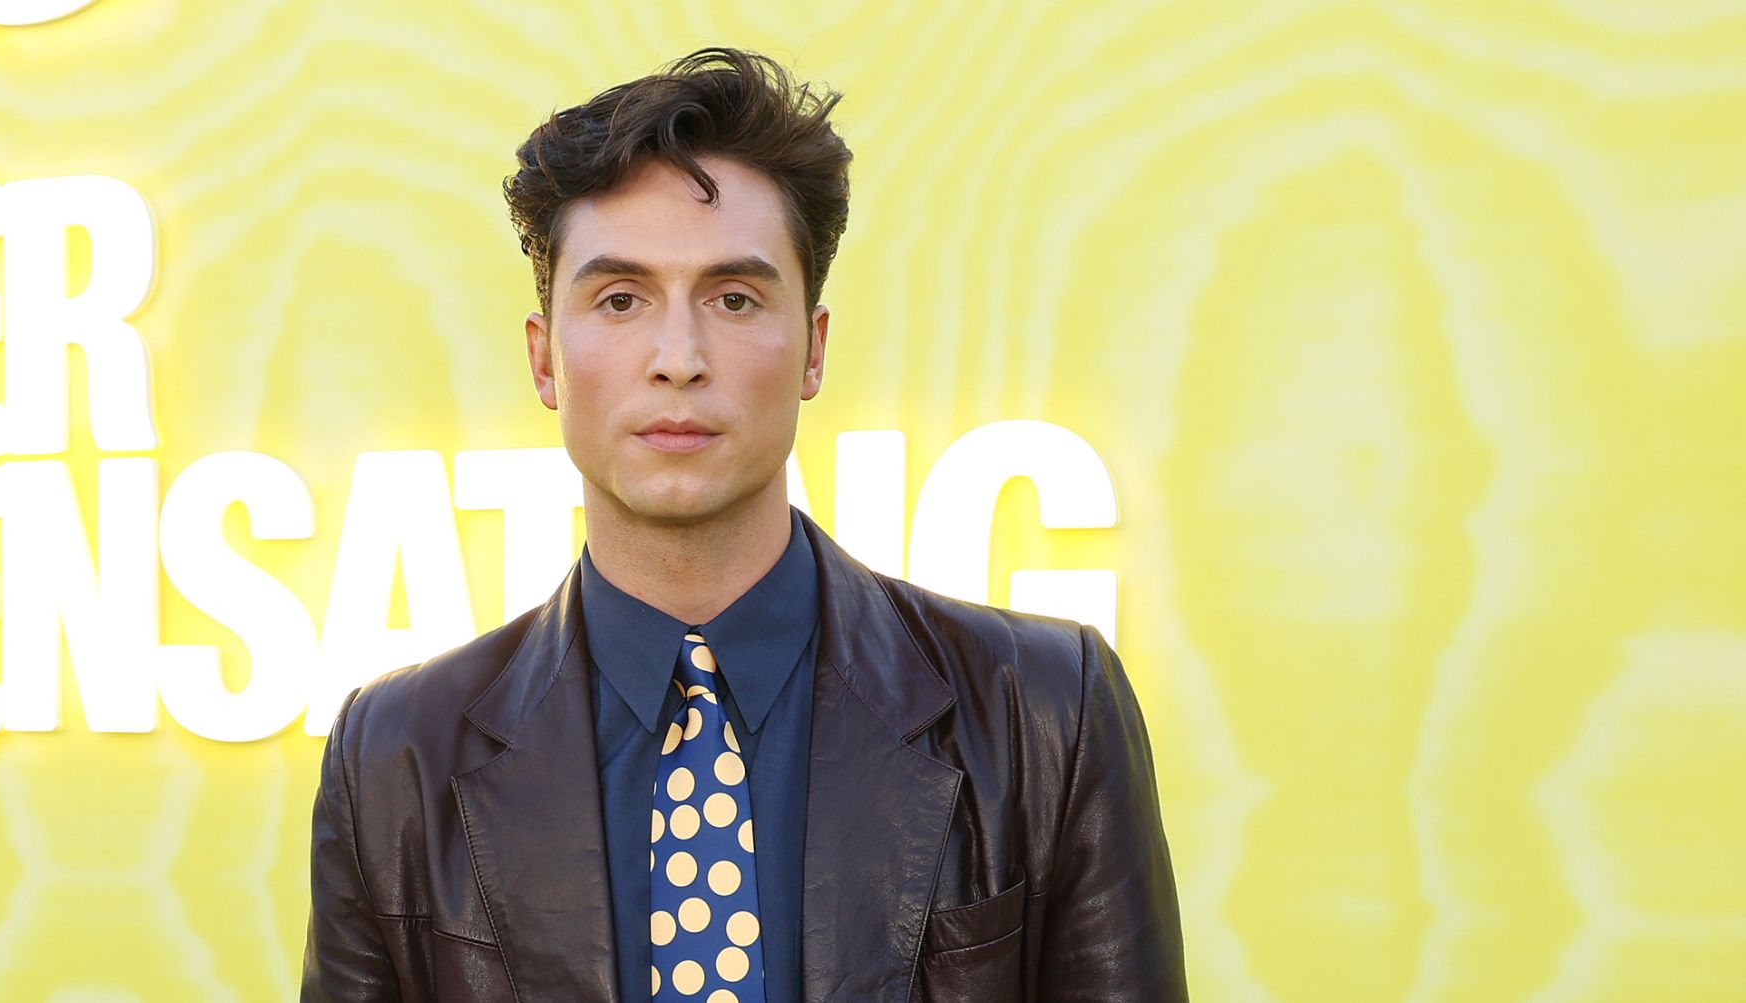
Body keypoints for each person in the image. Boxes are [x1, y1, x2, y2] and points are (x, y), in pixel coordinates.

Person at [301, 46, 1186, 1003]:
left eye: (734, 298)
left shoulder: (1046, 711)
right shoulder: (393, 757)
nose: (678, 357)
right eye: (620, 299)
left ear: (812, 348)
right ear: (545, 358)